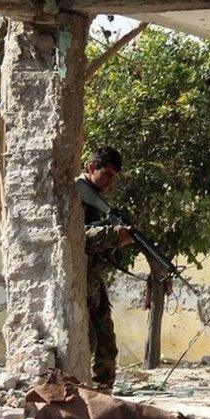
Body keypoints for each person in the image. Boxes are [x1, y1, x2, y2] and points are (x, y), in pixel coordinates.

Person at [78, 146, 132, 393]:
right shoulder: (76, 194)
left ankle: (103, 393)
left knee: (106, 342)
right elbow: (75, 236)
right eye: (107, 174)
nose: (110, 182)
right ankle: (83, 392)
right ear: (91, 168)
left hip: (92, 280)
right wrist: (111, 236)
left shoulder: (97, 200)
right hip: (78, 281)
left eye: (114, 176)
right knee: (86, 340)